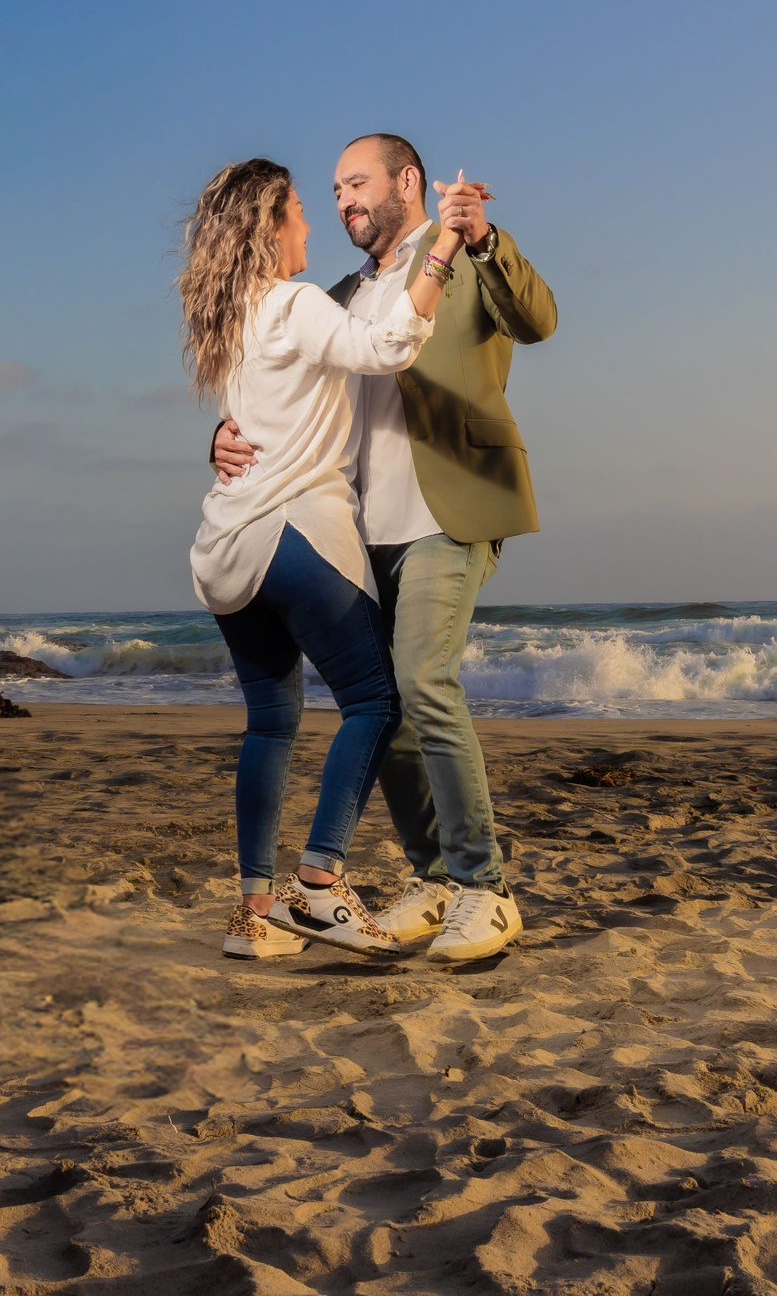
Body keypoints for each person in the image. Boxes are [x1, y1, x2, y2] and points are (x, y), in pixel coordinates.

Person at [213, 133, 556, 965]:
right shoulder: (327, 295)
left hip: (447, 509)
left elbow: (537, 320)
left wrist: (477, 237)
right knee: (390, 709)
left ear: (408, 182)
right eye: (331, 190)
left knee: (423, 683)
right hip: (359, 531)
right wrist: (221, 437)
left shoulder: (463, 259)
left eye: (356, 183)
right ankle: (434, 881)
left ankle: (487, 888)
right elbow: (277, 388)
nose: (342, 201)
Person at [182, 156, 473, 960]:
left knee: (271, 724)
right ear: (272, 226)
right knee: (377, 702)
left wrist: (215, 441)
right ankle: (319, 882)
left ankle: (256, 914)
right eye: (302, 210)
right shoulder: (293, 300)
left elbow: (250, 423)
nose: (313, 222)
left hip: (223, 549)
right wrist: (441, 251)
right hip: (292, 535)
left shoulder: (231, 317)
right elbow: (385, 349)